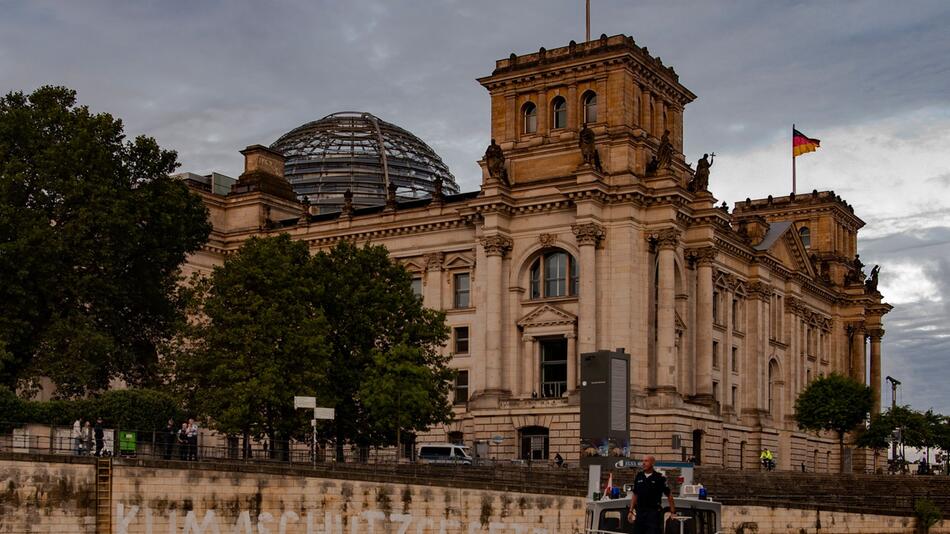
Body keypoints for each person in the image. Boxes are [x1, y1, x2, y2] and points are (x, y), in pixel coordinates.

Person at [626, 455, 676, 534]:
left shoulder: (659, 478)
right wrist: (631, 511)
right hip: (640, 513)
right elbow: (635, 494)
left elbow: (669, 495)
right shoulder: (639, 476)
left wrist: (673, 512)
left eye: (646, 461)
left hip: (653, 513)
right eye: (643, 461)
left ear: (652, 463)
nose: (643, 463)